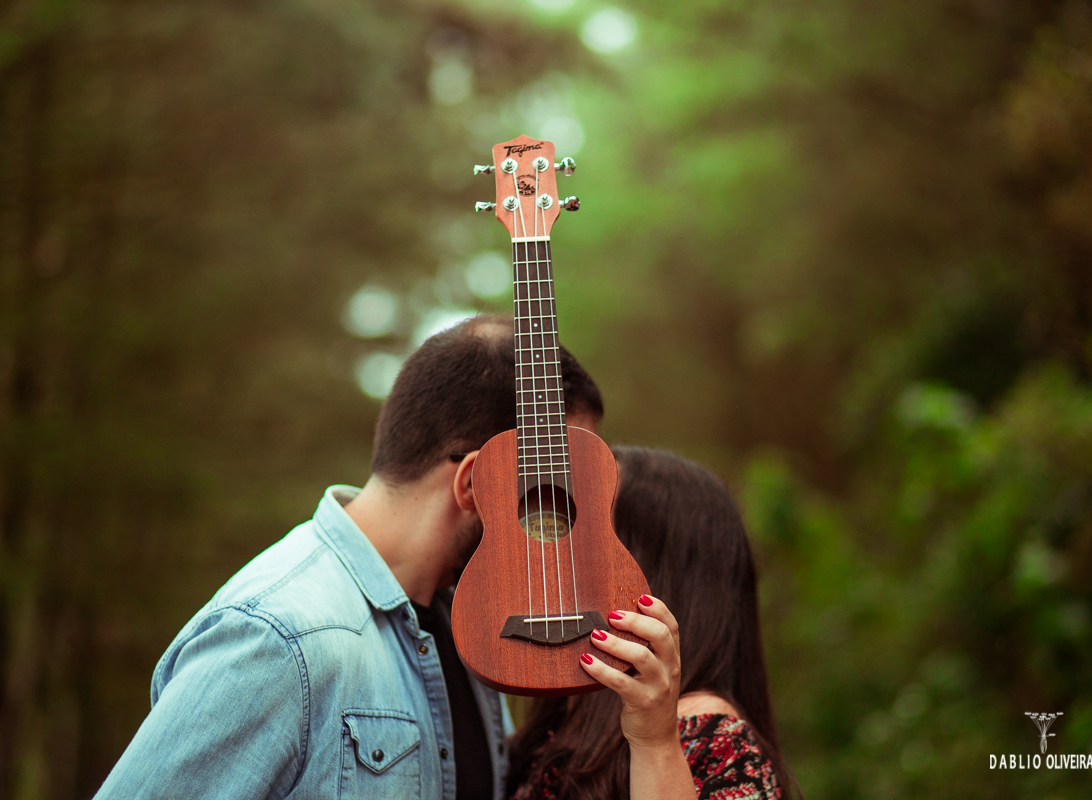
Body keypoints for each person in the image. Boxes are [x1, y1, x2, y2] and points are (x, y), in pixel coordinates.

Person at [94, 313, 605, 800]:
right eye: (548, 495)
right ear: (473, 483)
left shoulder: (471, 626)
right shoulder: (277, 637)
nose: (558, 533)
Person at [506, 446, 794, 800]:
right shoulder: (563, 723)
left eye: (585, 524)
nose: (555, 547)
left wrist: (655, 745)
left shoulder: (718, 743)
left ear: (655, 565)